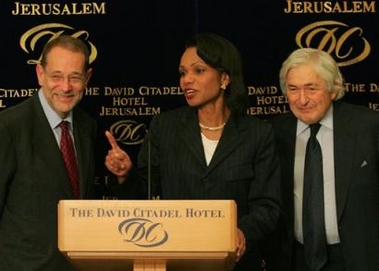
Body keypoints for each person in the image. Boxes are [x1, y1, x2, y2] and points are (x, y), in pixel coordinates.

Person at [104, 32, 282, 270]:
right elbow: (143, 196)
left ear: (224, 78)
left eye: (198, 71)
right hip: (177, 259)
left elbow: (267, 206)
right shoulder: (164, 127)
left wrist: (241, 232)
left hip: (235, 262)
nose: (186, 80)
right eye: (183, 72)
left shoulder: (258, 134)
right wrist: (124, 175)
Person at [267, 48, 379, 271]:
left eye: (311, 88)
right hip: (294, 260)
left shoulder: (369, 127)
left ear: (333, 89)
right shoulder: (273, 132)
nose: (302, 99)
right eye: (293, 89)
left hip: (358, 260)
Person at [0, 35, 97, 270]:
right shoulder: (9, 126)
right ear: (40, 75)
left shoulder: (88, 126)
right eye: (56, 76)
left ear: (87, 77)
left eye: (75, 77)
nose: (65, 87)